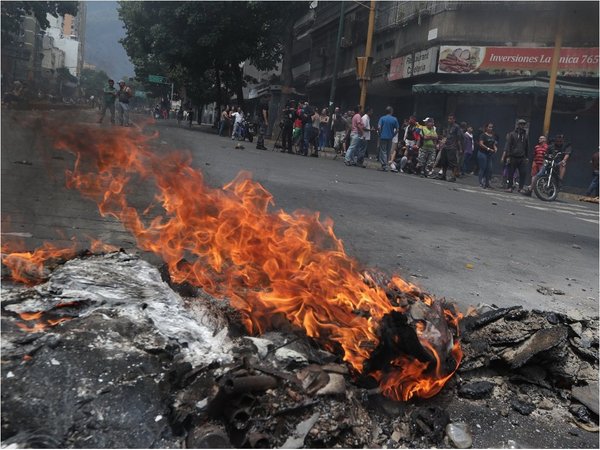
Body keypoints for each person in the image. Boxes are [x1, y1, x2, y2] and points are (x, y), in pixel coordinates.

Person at [502, 119, 530, 192]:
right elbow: (508, 145)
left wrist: (526, 157)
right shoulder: (512, 134)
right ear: (518, 125)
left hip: (522, 157)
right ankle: (509, 187)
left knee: (523, 173)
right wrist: (508, 156)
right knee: (511, 173)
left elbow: (527, 146)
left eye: (523, 124)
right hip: (513, 156)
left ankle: (520, 188)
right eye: (521, 124)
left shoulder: (525, 135)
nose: (522, 126)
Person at [436, 113, 462, 182]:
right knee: (444, 161)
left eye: (451, 119)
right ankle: (443, 175)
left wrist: (460, 148)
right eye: (448, 119)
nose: (449, 120)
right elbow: (445, 136)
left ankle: (453, 176)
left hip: (452, 147)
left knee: (453, 162)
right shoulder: (447, 126)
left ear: (454, 119)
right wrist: (441, 143)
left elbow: (459, 138)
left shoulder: (457, 127)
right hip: (445, 146)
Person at [376, 106, 399, 172]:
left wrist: (380, 134)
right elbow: (397, 130)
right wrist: (393, 135)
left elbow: (379, 127)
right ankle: (385, 164)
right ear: (391, 111)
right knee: (388, 151)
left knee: (383, 151)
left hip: (383, 136)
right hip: (390, 137)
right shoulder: (394, 119)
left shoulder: (382, 118)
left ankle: (384, 165)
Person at [478, 122, 497, 189]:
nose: (490, 128)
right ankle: (481, 182)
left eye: (491, 127)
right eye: (489, 127)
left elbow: (494, 144)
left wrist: (495, 148)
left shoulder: (493, 136)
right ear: (486, 128)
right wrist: (488, 148)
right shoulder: (483, 135)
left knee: (489, 169)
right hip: (482, 153)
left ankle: (487, 183)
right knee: (483, 168)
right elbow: (481, 144)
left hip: (489, 155)